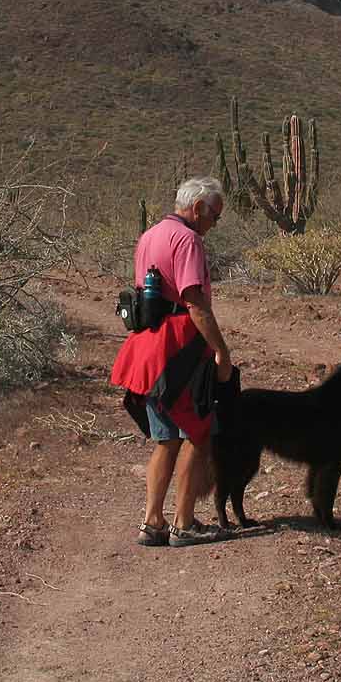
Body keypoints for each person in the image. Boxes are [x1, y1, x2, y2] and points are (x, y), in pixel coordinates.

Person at [109, 176, 236, 546]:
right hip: (179, 352)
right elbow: (195, 303)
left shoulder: (149, 235)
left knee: (165, 439)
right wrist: (221, 352)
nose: (213, 224)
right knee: (197, 434)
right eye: (214, 216)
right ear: (198, 208)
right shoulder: (188, 239)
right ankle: (184, 522)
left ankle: (152, 522)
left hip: (146, 347)